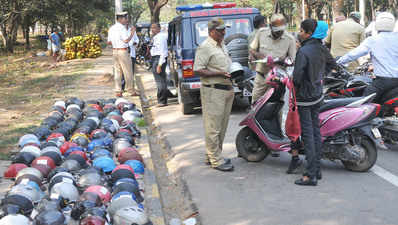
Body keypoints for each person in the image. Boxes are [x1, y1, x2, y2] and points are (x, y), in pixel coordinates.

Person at [293, 19, 337, 186]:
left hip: (305, 97)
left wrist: (302, 85)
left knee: (308, 135)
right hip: (317, 95)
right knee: (316, 133)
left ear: (308, 33)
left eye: (301, 31)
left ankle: (310, 175)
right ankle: (316, 170)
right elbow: (333, 64)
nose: (300, 33)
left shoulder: (304, 51)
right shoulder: (321, 48)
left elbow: (297, 77)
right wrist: (319, 78)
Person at [193, 17, 234, 172]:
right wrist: (218, 73)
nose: (224, 33)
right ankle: (216, 160)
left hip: (225, 89)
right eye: (220, 30)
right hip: (213, 90)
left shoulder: (221, 44)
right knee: (213, 128)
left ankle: (214, 155)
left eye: (224, 30)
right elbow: (198, 69)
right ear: (211, 32)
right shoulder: (205, 47)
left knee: (221, 127)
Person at [337, 12, 398, 104]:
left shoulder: (373, 40)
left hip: (383, 81)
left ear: (377, 24)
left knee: (363, 104)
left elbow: (354, 54)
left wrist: (338, 62)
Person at [249, 14, 296, 105]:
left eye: (281, 31)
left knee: (275, 107)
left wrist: (280, 61)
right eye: (277, 31)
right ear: (270, 26)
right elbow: (252, 50)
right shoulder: (261, 33)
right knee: (256, 105)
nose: (279, 33)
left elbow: (292, 61)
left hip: (277, 80)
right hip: (261, 77)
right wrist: (261, 57)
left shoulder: (290, 39)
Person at [107, 11, 138, 97]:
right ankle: (131, 90)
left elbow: (109, 42)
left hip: (115, 51)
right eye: (125, 18)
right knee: (128, 71)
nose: (126, 20)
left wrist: (116, 42)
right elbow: (126, 40)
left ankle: (118, 90)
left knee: (118, 71)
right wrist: (132, 33)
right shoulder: (122, 28)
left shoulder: (111, 28)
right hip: (123, 51)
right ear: (120, 19)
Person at [150, 23, 172, 107]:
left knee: (160, 81)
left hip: (159, 59)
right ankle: (163, 99)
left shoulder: (160, 37)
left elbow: (163, 52)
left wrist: (159, 65)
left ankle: (162, 101)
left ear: (159, 28)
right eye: (151, 28)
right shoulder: (156, 37)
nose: (152, 29)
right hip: (156, 58)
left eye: (154, 28)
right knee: (161, 80)